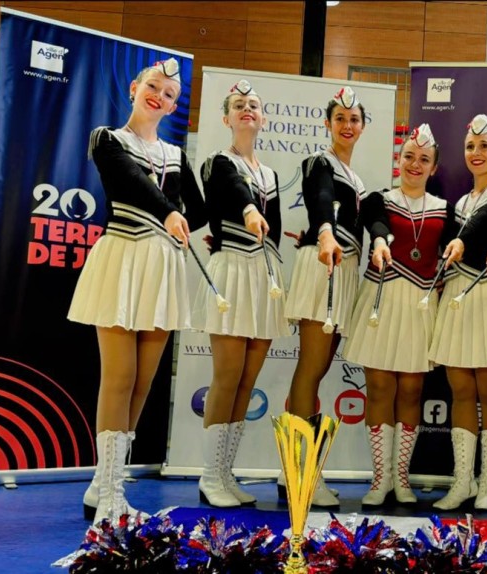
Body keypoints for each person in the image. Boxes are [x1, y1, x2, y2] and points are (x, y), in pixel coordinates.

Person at [67, 58, 206, 524]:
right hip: (123, 259)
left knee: (143, 382)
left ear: (173, 106)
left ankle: (107, 483)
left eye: (169, 94)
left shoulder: (176, 155)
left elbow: (200, 210)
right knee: (119, 377)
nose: (159, 96)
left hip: (162, 267)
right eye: (153, 86)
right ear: (134, 87)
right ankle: (108, 495)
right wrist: (169, 212)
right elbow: (129, 180)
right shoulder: (107, 139)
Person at [342, 124, 457, 506]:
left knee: (411, 390)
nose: (415, 164)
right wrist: (379, 240)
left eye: (424, 159)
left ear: (433, 167)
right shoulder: (380, 198)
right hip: (383, 297)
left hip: (420, 303)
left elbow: (453, 247)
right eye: (409, 156)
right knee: (379, 388)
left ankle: (401, 479)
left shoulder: (444, 209)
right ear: (399, 159)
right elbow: (374, 223)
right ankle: (380, 480)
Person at [191, 79, 289, 507]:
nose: (247, 109)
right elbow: (231, 190)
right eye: (238, 105)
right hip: (232, 270)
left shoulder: (271, 174)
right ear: (226, 117)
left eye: (253, 105)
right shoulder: (218, 162)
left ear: (263, 118)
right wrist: (248, 211)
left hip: (263, 276)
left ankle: (225, 473)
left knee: (247, 383)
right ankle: (209, 476)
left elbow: (276, 230)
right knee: (227, 377)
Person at [428, 114, 487, 511]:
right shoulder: (459, 203)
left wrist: (462, 241)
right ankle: (462, 480)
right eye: (470, 146)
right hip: (456, 295)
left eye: (485, 146)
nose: (477, 153)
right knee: (461, 390)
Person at [282, 86, 367, 507]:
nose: (347, 125)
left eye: (354, 119)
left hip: (344, 267)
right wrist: (325, 232)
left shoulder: (356, 177)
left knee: (317, 369)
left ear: (363, 126)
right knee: (310, 368)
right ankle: (301, 472)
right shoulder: (320, 162)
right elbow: (320, 198)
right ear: (328, 124)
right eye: (340, 119)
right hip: (325, 263)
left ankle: (298, 469)